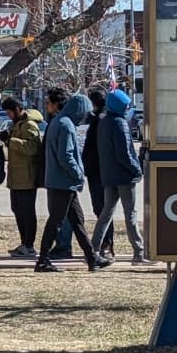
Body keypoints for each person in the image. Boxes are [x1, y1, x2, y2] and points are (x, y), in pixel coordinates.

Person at [36, 91, 113, 272]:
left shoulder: (58, 121)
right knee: (56, 221)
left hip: (61, 181)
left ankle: (91, 257)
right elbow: (66, 156)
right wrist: (78, 173)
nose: (84, 117)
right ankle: (42, 260)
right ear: (79, 110)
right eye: (84, 113)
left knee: (77, 220)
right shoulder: (66, 125)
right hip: (63, 182)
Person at [92, 88, 154, 264]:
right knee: (131, 214)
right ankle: (138, 252)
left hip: (109, 176)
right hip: (124, 176)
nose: (128, 108)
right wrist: (137, 170)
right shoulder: (120, 124)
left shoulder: (103, 122)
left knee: (106, 213)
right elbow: (125, 153)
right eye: (126, 105)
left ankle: (93, 248)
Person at [0, 96, 41, 257]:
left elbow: (33, 148)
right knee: (17, 209)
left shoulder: (29, 125)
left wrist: (12, 140)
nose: (9, 116)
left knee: (27, 212)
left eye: (9, 112)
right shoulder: (16, 124)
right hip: (16, 177)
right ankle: (24, 243)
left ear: (17, 109)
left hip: (27, 177)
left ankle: (29, 245)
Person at [41, 88, 75, 259]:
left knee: (59, 219)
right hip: (57, 179)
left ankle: (54, 251)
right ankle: (91, 255)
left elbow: (66, 155)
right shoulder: (56, 122)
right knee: (73, 219)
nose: (46, 105)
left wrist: (77, 173)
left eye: (48, 102)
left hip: (63, 180)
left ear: (57, 104)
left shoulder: (63, 124)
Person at [82, 88, 115, 259]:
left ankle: (107, 244)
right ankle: (105, 243)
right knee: (101, 209)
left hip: (99, 171)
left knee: (103, 209)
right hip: (96, 170)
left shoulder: (100, 121)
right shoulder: (97, 120)